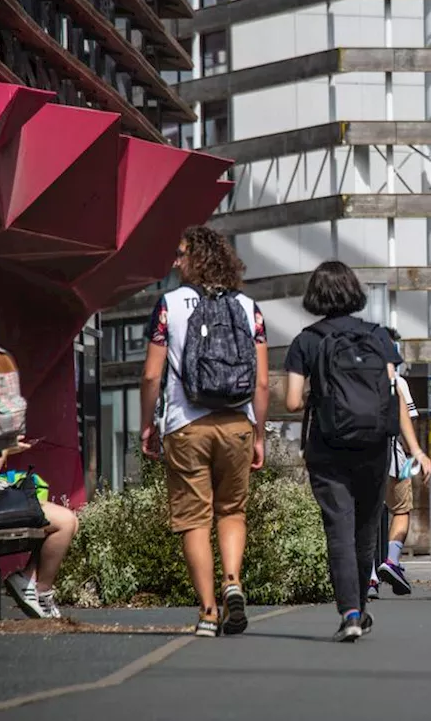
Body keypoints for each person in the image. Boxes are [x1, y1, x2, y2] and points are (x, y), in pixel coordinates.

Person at [284, 261, 431, 641]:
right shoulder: (378, 336)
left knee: (338, 528)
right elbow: (393, 394)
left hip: (327, 446)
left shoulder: (306, 340)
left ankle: (350, 612)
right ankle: (362, 608)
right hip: (373, 446)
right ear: (353, 292)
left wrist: (320, 394)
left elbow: (290, 401)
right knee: (367, 529)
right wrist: (415, 448)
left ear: (315, 295)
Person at [141, 226, 269, 638]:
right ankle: (233, 579)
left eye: (181, 255)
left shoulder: (169, 305)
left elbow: (150, 374)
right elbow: (263, 382)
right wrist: (259, 434)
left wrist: (148, 424)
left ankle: (209, 612)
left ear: (197, 259)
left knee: (194, 519)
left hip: (186, 424)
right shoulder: (249, 307)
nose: (175, 262)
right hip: (237, 423)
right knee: (231, 510)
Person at [0, 449, 80, 619]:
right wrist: (3, 451)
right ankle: (41, 589)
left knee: (71, 521)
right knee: (65, 522)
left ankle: (30, 578)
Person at [370, 329, 421, 599]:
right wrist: (413, 453)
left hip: (361, 455)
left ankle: (369, 576)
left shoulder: (358, 379)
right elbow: (409, 420)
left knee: (365, 515)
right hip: (393, 454)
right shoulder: (398, 382)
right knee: (401, 508)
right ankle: (391, 561)